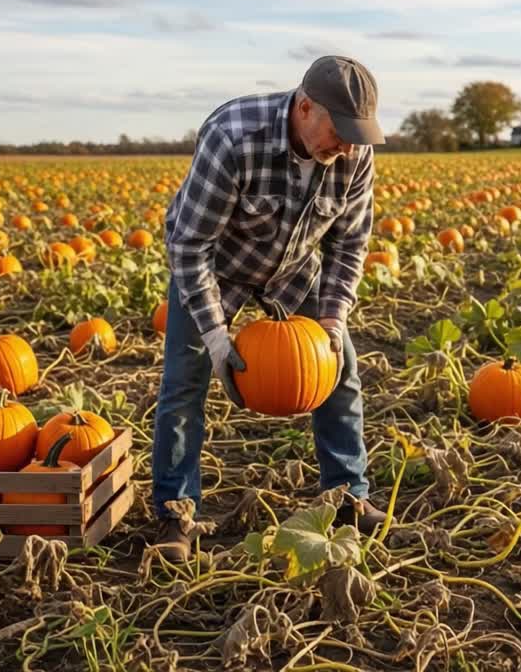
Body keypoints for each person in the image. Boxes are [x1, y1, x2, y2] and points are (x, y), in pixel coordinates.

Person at [152, 55, 387, 562]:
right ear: (305, 107)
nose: (346, 144)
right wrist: (216, 338)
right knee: (184, 384)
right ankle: (176, 512)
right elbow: (190, 246)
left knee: (339, 370)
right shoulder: (233, 138)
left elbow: (350, 244)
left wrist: (331, 319)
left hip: (294, 268)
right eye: (339, 130)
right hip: (217, 268)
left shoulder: (354, 153)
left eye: (357, 134)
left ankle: (347, 494)